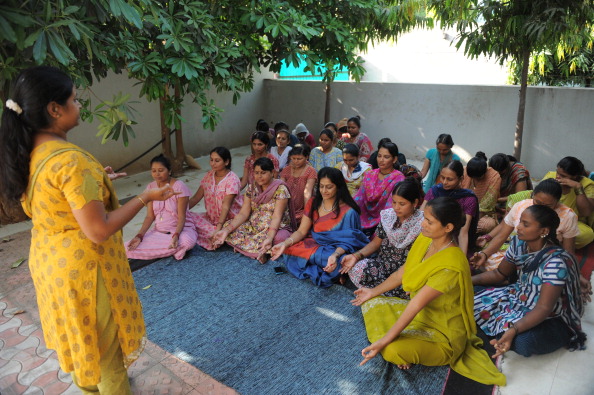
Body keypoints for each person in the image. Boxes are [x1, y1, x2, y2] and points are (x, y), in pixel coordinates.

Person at [0, 66, 177, 393]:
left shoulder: (30, 154)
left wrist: (99, 183)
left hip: (51, 265)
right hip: (86, 273)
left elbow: (56, 200)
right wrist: (144, 196)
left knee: (82, 342)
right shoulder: (69, 161)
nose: (79, 106)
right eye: (74, 100)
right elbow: (98, 229)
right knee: (106, 357)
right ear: (54, 109)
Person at [352, 197, 505, 386]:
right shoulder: (425, 239)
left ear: (448, 227)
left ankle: (407, 348)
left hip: (443, 333)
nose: (422, 224)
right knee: (372, 302)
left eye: (429, 221)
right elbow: (403, 272)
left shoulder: (451, 264)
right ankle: (403, 342)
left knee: (392, 350)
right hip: (422, 315)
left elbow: (416, 304)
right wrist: (373, 292)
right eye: (424, 218)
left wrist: (384, 342)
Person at [473, 205, 586, 358]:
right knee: (468, 292)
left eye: (525, 224)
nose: (518, 227)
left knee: (524, 343)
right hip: (518, 297)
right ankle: (502, 332)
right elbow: (500, 273)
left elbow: (544, 308)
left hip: (548, 315)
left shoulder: (555, 263)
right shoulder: (519, 244)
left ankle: (506, 332)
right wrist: (466, 280)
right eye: (520, 222)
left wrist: (514, 329)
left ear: (544, 231)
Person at [270, 167, 369, 287]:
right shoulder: (313, 202)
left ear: (338, 187)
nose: (324, 190)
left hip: (336, 250)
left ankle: (330, 269)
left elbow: (349, 242)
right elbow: (301, 231)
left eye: (329, 187)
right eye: (321, 186)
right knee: (289, 250)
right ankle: (332, 273)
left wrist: (335, 255)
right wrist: (284, 244)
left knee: (339, 260)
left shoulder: (349, 211)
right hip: (314, 244)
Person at [470, 179, 579, 272]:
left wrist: (574, 273)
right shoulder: (521, 206)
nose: (540, 208)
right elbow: (502, 235)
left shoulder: (568, 216)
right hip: (517, 254)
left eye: (548, 206)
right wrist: (484, 254)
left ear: (558, 202)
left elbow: (568, 251)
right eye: (537, 202)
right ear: (533, 195)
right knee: (491, 264)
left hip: (546, 258)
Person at [343, 178, 423, 297]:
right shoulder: (388, 217)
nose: (396, 207)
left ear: (415, 203)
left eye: (402, 204)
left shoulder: (422, 224)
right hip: (382, 267)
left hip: (404, 274)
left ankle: (378, 291)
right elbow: (375, 243)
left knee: (412, 288)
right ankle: (381, 292)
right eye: (394, 202)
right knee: (357, 268)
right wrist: (356, 256)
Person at [213, 157, 291, 263]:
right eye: (256, 173)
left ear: (272, 172)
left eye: (263, 173)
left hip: (274, 227)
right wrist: (226, 230)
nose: (259, 176)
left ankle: (257, 249)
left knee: (279, 238)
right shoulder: (252, 187)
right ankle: (261, 251)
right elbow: (244, 213)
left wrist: (269, 237)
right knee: (228, 226)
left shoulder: (281, 189)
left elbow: (277, 217)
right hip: (253, 225)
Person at [126, 155, 198, 260]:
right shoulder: (151, 187)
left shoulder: (179, 186)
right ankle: (171, 249)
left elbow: (182, 217)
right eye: (154, 171)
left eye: (160, 170)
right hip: (159, 232)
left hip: (182, 230)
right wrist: (139, 236)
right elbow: (150, 216)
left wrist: (176, 235)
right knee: (128, 247)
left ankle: (168, 247)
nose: (157, 174)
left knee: (187, 242)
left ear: (169, 171)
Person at [189, 147, 243, 250]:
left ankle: (218, 235)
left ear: (226, 162)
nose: (213, 163)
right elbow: (196, 198)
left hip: (229, 221)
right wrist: (180, 210)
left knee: (215, 233)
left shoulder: (232, 179)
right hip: (211, 219)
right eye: (211, 160)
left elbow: (226, 206)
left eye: (217, 160)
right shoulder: (209, 175)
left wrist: (219, 227)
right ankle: (215, 236)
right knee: (186, 217)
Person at [421, 160, 478, 256]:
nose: (444, 182)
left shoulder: (468, 198)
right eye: (442, 177)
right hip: (429, 233)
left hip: (452, 239)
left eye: (450, 179)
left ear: (461, 178)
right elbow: (421, 215)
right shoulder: (435, 191)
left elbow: (463, 232)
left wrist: (462, 258)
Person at [355, 143, 405, 236]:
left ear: (394, 159)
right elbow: (359, 197)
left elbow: (390, 206)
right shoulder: (370, 174)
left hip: (384, 220)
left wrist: (382, 222)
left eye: (386, 157)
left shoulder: (398, 178)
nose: (381, 160)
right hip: (364, 215)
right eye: (379, 156)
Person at [543, 156, 594, 249]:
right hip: (547, 217)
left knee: (587, 235)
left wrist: (578, 188)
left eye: (563, 176)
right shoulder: (551, 176)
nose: (558, 177)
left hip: (572, 221)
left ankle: (549, 237)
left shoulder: (587, 185)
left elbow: (586, 212)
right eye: (557, 172)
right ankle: (556, 238)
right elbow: (539, 198)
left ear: (575, 176)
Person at [461, 152, 501, 235]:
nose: (475, 179)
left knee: (485, 225)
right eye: (472, 177)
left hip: (483, 214)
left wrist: (471, 222)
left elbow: (487, 204)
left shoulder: (494, 176)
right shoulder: (464, 171)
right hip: (462, 210)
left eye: (478, 178)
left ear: (485, 172)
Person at [279, 144, 317, 225]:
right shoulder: (286, 170)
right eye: (293, 158)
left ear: (306, 157)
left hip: (302, 207)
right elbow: (281, 189)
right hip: (286, 205)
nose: (296, 161)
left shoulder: (311, 171)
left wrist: (306, 212)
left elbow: (308, 192)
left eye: (299, 159)